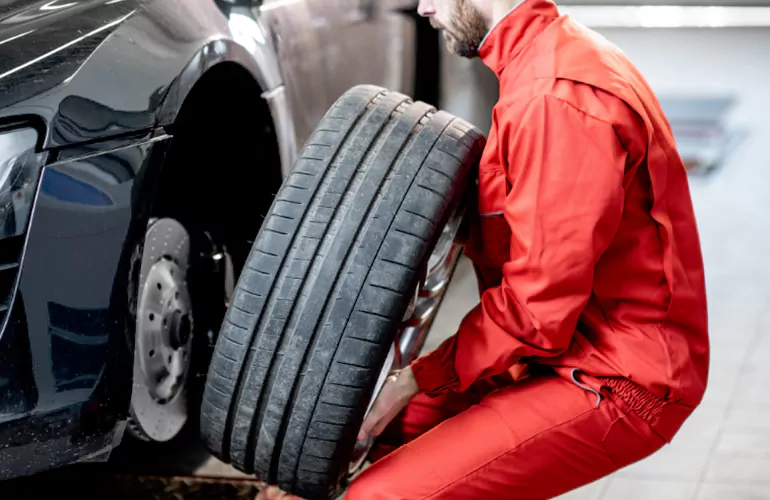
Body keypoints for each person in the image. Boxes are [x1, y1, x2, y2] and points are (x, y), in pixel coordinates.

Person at [258, 0, 709, 498]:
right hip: (553, 353)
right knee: (358, 435)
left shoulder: (555, 97)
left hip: (616, 381)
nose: (424, 8)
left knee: (379, 495)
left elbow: (537, 310)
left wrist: (417, 377)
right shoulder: (536, 64)